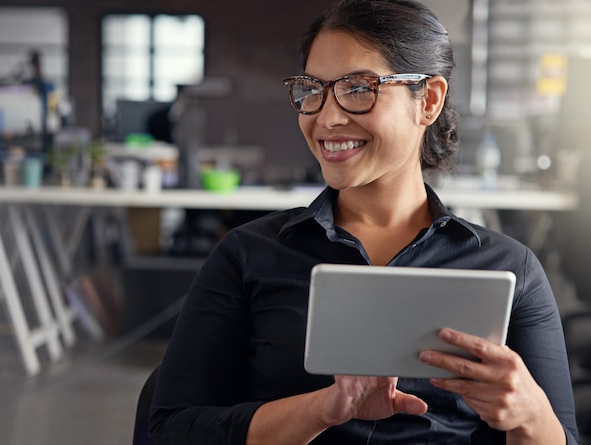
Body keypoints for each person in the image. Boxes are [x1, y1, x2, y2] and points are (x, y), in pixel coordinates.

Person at [148, 0, 580, 443]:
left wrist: (531, 415)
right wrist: (320, 409)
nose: (327, 117)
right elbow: (167, 431)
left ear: (428, 100)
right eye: (312, 89)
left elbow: (557, 434)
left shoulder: (509, 268)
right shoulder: (248, 255)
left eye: (358, 89)